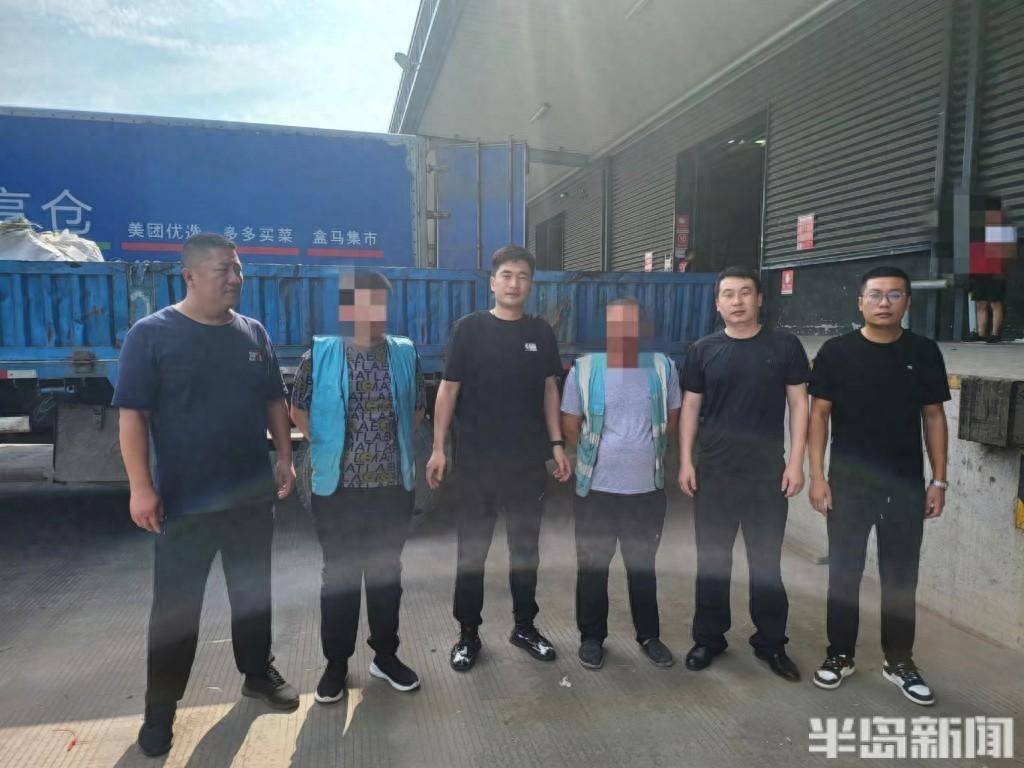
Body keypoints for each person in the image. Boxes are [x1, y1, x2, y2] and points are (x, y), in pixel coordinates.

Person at [113, 233, 299, 758]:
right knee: (176, 613)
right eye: (224, 270)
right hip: (185, 504)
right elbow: (133, 416)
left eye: (238, 269)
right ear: (189, 276)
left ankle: (257, 674)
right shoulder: (152, 335)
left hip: (250, 498)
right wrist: (141, 487)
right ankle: (160, 712)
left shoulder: (252, 333)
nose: (235, 278)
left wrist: (284, 457)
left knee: (252, 595)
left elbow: (273, 400)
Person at [808, 266, 949, 706]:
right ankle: (840, 654)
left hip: (905, 485)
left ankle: (899, 661)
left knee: (901, 577)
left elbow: (934, 417)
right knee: (843, 574)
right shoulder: (836, 352)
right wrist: (817, 477)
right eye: (875, 295)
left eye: (894, 295)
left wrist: (938, 480)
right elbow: (818, 415)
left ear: (908, 302)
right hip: (848, 484)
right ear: (860, 302)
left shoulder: (924, 352)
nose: (884, 303)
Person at [426, 245, 572, 672]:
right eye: (506, 275)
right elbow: (448, 389)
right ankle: (468, 634)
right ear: (492, 283)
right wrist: (438, 448)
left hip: (526, 464)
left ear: (531, 284)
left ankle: (524, 627)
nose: (514, 283)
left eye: (522, 276)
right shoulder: (469, 330)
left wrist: (557, 445)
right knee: (472, 552)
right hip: (476, 465)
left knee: (525, 550)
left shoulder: (540, 332)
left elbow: (549, 390)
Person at [289, 270, 426, 703]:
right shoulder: (322, 353)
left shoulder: (404, 353)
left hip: (392, 488)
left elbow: (417, 409)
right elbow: (297, 408)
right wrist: (325, 443)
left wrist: (386, 448)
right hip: (338, 490)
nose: (372, 313)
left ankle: (385, 657)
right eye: (363, 303)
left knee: (386, 575)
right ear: (347, 309)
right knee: (340, 577)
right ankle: (336, 665)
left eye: (379, 303)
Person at [679, 265, 809, 682]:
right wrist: (685, 460)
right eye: (729, 294)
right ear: (717, 303)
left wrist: (796, 462)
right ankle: (709, 638)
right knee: (712, 561)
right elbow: (691, 408)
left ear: (759, 299)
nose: (737, 301)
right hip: (714, 473)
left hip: (766, 476)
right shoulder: (703, 350)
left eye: (745, 293)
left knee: (766, 563)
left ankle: (771, 643)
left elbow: (799, 405)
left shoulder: (784, 346)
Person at [561, 298, 681, 670]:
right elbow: (570, 425)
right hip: (596, 492)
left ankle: (649, 636)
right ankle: (592, 638)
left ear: (642, 328)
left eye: (631, 323)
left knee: (642, 567)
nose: (624, 331)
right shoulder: (584, 369)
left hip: (646, 492)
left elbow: (672, 420)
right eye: (616, 323)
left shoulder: (662, 367)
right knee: (592, 567)